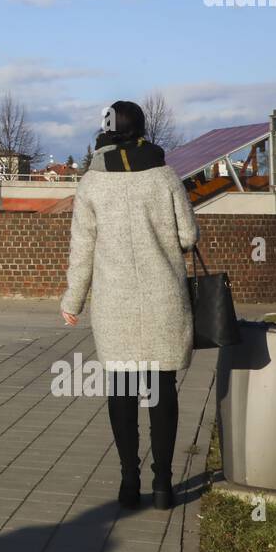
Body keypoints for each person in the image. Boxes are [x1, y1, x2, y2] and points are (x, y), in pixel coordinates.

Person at [60, 100, 198, 512]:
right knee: (160, 393)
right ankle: (163, 486)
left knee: (121, 393)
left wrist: (73, 301)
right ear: (141, 129)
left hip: (115, 307)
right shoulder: (165, 176)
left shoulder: (91, 184)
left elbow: (81, 252)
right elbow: (188, 236)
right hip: (163, 301)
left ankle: (127, 482)